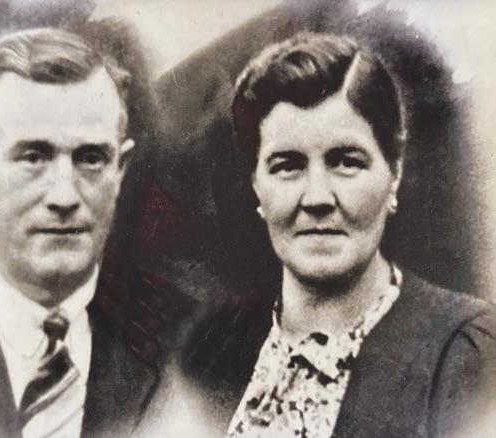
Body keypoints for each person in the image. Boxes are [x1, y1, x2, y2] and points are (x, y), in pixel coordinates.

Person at [187, 33, 496, 438]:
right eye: (287, 166)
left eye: (346, 161)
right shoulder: (213, 357)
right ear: (256, 185)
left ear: (394, 174)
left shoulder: (465, 353)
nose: (317, 198)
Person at [0, 22, 166, 438]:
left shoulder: (195, 346)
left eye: (90, 158)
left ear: (120, 169)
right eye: (33, 157)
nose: (64, 196)